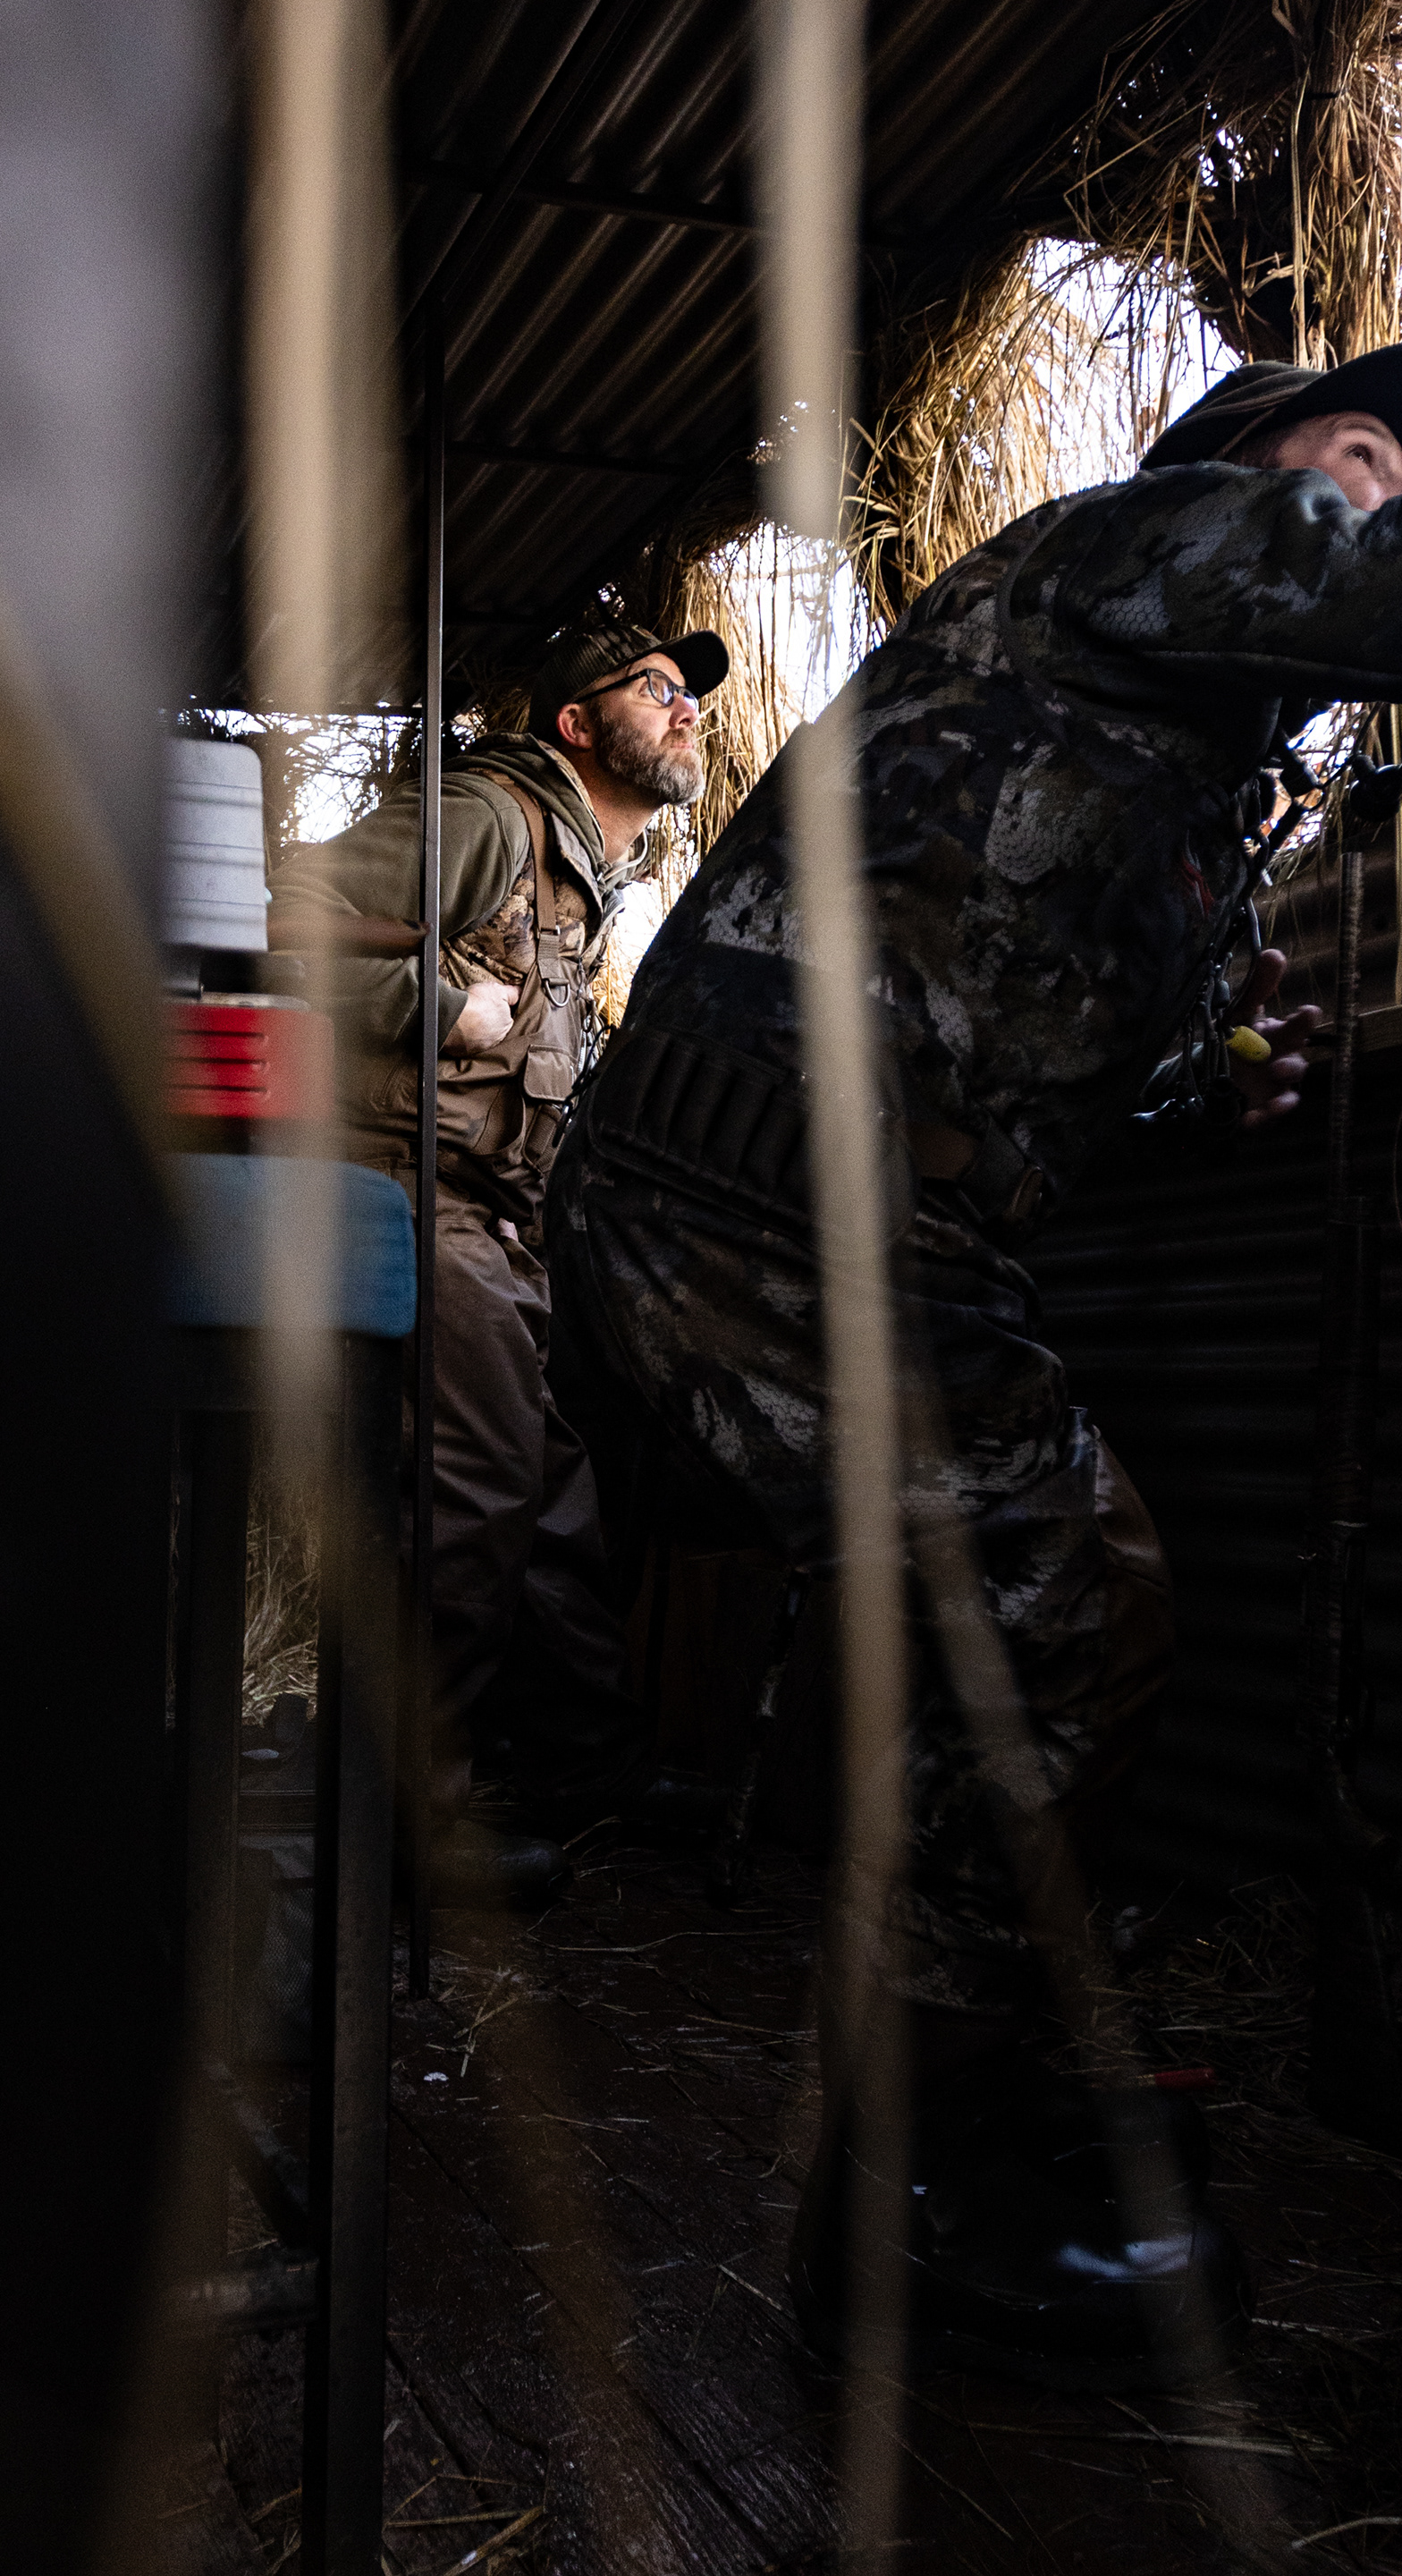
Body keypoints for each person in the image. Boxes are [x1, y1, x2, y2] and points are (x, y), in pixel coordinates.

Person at [546, 352, 1402, 2385]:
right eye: (1364, 454)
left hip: (837, 1226)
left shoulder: (1176, 763)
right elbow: (1348, 578)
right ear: (1241, 467)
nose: (1379, 496)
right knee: (1053, 1610)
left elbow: (1032, 1042)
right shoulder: (1139, 541)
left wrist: (1211, 1066)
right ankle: (909, 2207)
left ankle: (976, 2106)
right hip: (750, 1206)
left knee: (1077, 1602)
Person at [268, 621, 730, 1903]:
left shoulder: (585, 873)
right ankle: (394, 1824)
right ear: (577, 721)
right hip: (400, 1191)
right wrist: (429, 1005)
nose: (686, 707)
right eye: (655, 686)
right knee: (472, 1491)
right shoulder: (488, 816)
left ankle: (583, 1766)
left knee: (554, 1496)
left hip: (489, 1215)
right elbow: (289, 911)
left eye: (691, 693)